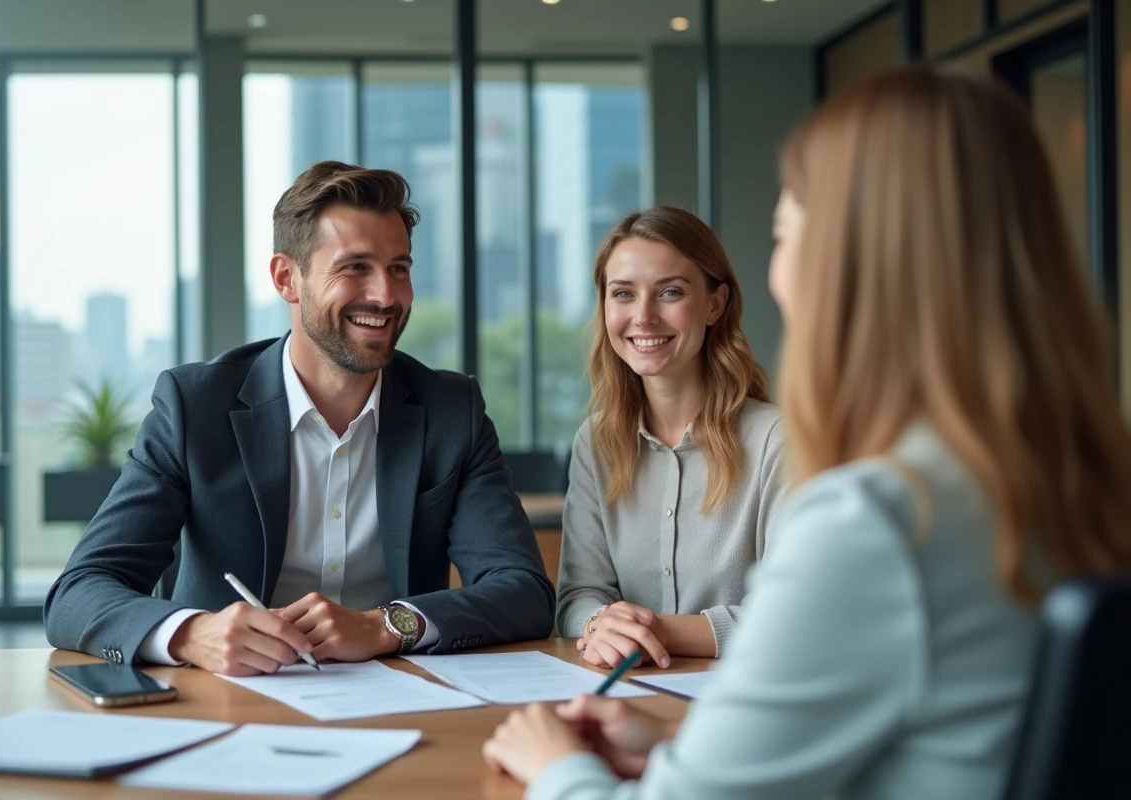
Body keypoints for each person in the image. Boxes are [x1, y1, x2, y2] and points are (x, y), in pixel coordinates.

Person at [481, 65, 1131, 799]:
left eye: (784, 236)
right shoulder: (1070, 482)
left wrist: (557, 765)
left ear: (854, 265)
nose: (781, 275)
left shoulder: (880, 520)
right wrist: (677, 745)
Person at [43, 161, 555, 676]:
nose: (385, 295)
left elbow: (523, 590)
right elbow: (78, 592)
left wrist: (385, 626)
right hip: (225, 701)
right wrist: (194, 634)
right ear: (288, 278)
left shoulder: (452, 410)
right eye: (355, 267)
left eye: (398, 268)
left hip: (400, 699)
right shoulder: (195, 405)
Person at [556, 206, 785, 670]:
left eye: (670, 292)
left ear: (715, 304)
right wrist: (601, 621)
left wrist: (652, 630)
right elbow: (579, 598)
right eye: (622, 294)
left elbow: (799, 614)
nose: (643, 316)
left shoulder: (778, 440)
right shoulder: (596, 442)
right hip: (628, 696)